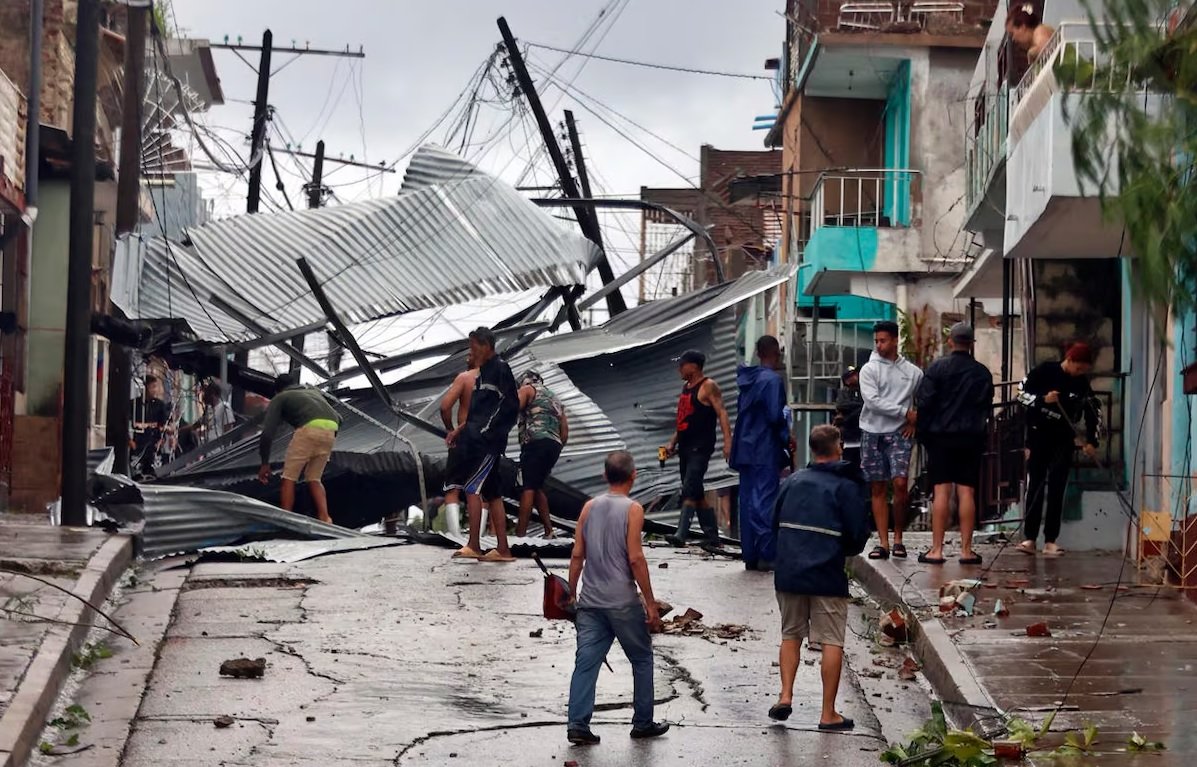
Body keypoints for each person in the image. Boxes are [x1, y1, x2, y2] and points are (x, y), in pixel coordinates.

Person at [566, 451, 670, 745]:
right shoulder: (634, 509)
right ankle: (642, 722)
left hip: (590, 602)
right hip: (622, 602)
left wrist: (571, 593)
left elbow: (577, 554)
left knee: (586, 662)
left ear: (604, 476)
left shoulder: (588, 507)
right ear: (633, 476)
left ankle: (577, 724)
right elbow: (636, 558)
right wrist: (649, 602)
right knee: (641, 657)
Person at [769, 425, 869, 730]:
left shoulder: (792, 481)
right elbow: (857, 535)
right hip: (826, 574)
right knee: (831, 641)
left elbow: (774, 522)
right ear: (838, 447)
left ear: (813, 449)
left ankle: (785, 695)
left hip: (789, 572)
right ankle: (828, 713)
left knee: (790, 635)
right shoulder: (846, 487)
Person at [914, 323, 995, 566]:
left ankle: (937, 550)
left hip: (940, 438)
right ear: (971, 344)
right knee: (966, 491)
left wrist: (924, 433)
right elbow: (986, 406)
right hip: (970, 437)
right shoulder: (982, 373)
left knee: (941, 491)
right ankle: (967, 551)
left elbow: (925, 402)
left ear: (951, 341)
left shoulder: (938, 368)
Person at [1016, 342, 1101, 556]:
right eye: (1079, 368)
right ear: (1070, 360)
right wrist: (1042, 399)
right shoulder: (1044, 372)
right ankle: (1029, 538)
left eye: (1084, 370)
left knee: (1057, 488)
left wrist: (1091, 441)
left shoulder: (1081, 383)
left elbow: (1093, 411)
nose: (1080, 373)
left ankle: (1051, 539)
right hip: (1038, 436)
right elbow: (1020, 394)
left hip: (1064, 440)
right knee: (1035, 485)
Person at [446, 327, 520, 562]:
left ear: (486, 346)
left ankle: (474, 544)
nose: (471, 352)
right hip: (477, 438)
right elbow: (479, 410)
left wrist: (488, 431)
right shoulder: (482, 374)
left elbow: (510, 406)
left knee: (471, 488)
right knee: (492, 493)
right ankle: (503, 549)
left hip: (487, 442)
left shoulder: (500, 368)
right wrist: (460, 429)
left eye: (474, 347)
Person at [859, 321, 923, 561]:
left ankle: (898, 538)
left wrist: (914, 420)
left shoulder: (913, 373)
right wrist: (905, 413)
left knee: (899, 483)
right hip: (871, 431)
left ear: (895, 340)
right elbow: (872, 401)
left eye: (883, 340)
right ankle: (883, 541)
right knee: (877, 486)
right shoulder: (869, 369)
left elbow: (923, 398)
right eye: (876, 340)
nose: (879, 345)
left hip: (899, 433)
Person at [729, 335, 791, 571]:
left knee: (747, 500)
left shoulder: (747, 380)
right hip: (764, 448)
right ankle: (768, 553)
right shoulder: (772, 380)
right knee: (764, 499)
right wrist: (786, 437)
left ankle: (751, 554)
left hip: (745, 448)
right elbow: (776, 416)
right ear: (775, 353)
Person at [663, 350, 733, 548]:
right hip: (685, 447)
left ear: (693, 366)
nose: (679, 368)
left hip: (700, 447)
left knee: (689, 487)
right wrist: (672, 443)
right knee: (697, 491)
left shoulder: (708, 386)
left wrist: (728, 441)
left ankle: (681, 533)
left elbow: (722, 413)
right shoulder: (686, 387)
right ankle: (712, 536)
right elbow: (683, 420)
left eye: (682, 364)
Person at [257, 373, 342, 524]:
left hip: (308, 430)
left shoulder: (281, 397)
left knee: (289, 477)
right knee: (314, 478)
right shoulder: (313, 392)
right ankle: (325, 518)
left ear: (278, 390)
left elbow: (267, 433)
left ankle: (286, 519)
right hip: (330, 431)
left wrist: (264, 463)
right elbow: (339, 418)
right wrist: (327, 435)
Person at [514, 370, 569, 538]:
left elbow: (511, 409)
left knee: (528, 487)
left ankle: (520, 535)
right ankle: (549, 530)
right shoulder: (556, 399)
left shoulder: (528, 390)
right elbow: (564, 432)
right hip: (554, 445)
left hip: (535, 442)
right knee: (537, 486)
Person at [440, 351, 480, 535]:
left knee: (453, 487)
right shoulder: (496, 382)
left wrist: (450, 429)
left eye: (470, 355)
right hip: (487, 438)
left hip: (464, 437)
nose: (466, 359)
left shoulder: (464, 378)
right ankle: (477, 538)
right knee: (482, 488)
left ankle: (455, 535)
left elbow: (445, 406)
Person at [132, 375, 170, 478]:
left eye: (156, 387)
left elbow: (164, 426)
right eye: (152, 387)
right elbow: (129, 423)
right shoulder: (134, 404)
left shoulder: (160, 405)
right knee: (137, 475)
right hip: (138, 445)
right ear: (144, 387)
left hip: (154, 446)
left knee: (155, 475)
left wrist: (161, 441)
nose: (155, 390)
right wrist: (131, 442)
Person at [834, 367, 864, 472]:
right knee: (849, 469)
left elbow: (866, 406)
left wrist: (852, 412)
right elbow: (842, 405)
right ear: (846, 380)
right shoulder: (844, 392)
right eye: (852, 375)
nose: (856, 376)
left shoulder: (863, 391)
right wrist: (859, 407)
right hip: (849, 438)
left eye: (856, 374)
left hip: (862, 436)